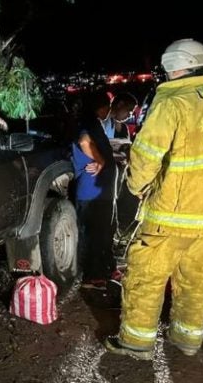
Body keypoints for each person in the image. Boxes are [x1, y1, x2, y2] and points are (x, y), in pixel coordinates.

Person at [104, 39, 203, 360]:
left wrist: (136, 186)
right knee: (196, 280)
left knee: (145, 275)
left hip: (171, 215)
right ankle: (187, 338)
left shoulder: (172, 105)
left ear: (176, 66)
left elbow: (145, 157)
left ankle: (136, 341)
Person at [72, 90, 120, 290]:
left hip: (98, 191)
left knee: (102, 232)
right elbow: (84, 142)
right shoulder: (88, 124)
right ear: (100, 107)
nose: (109, 110)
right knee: (94, 234)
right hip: (92, 191)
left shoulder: (93, 123)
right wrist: (100, 161)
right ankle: (92, 275)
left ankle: (104, 269)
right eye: (107, 106)